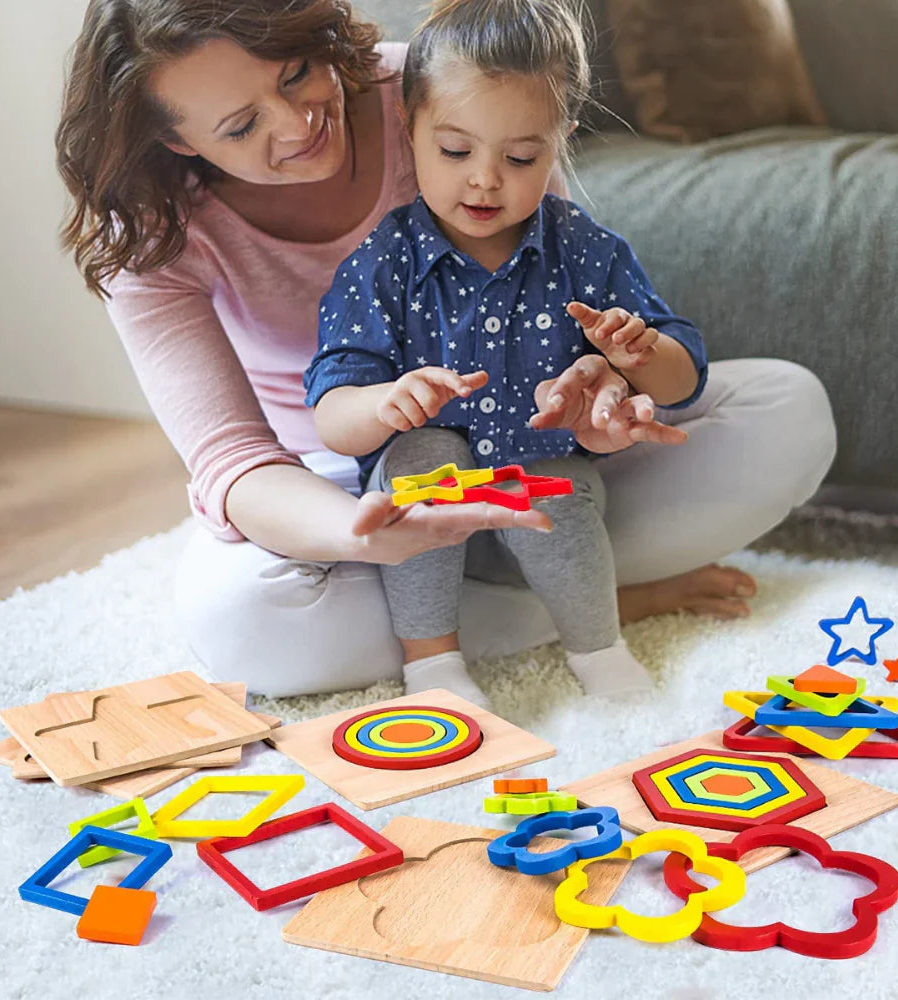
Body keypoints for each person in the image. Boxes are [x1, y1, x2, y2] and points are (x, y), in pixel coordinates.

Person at [56, 0, 836, 699]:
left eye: (296, 74)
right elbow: (233, 464)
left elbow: (556, 277)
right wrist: (367, 528)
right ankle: (582, 607)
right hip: (344, 479)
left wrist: (601, 383)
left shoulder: (446, 93)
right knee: (246, 625)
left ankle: (522, 596)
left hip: (538, 451)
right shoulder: (150, 236)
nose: (296, 124)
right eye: (240, 126)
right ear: (172, 135)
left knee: (787, 409)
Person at [304, 0, 712, 705]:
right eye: (456, 151)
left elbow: (686, 373)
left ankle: (597, 647)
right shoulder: (383, 262)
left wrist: (635, 357)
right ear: (411, 133)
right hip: (426, 529)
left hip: (545, 497)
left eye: (521, 157)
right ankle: (434, 668)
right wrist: (381, 404)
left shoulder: (580, 246)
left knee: (558, 479)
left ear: (559, 145)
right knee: (424, 460)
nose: (486, 180)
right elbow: (332, 411)